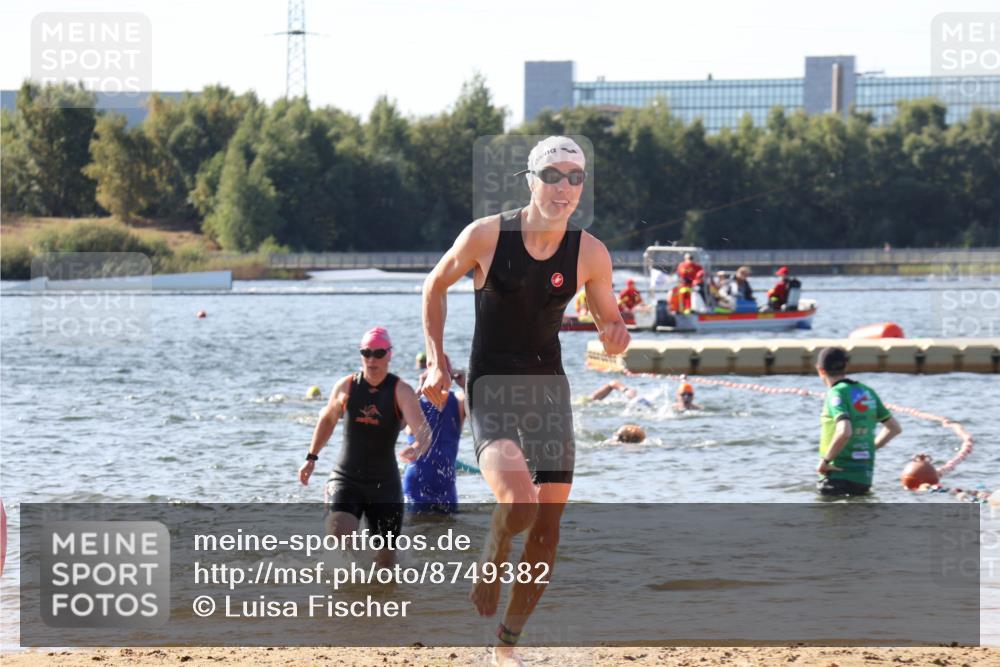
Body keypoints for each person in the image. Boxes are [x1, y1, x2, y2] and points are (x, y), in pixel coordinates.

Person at [421, 135, 630, 666]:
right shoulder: (487, 236)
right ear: (532, 179)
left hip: (549, 391)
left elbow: (609, 313)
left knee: (548, 527)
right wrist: (434, 358)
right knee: (518, 503)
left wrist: (615, 330)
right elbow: (434, 286)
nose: (564, 188)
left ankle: (507, 645)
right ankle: (493, 549)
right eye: (554, 176)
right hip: (492, 387)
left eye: (575, 178)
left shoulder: (589, 251)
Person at [298, 326, 433, 567]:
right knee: (338, 532)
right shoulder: (346, 386)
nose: (371, 359)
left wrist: (417, 448)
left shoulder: (400, 391)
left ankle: (373, 597)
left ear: (389, 355)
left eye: (378, 353)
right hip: (346, 477)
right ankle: (346, 592)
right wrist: (311, 457)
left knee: (386, 567)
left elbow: (424, 431)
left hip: (385, 485)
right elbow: (327, 420)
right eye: (366, 352)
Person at [814, 347, 902, 497]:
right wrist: (869, 448)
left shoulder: (835, 393)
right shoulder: (867, 391)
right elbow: (894, 428)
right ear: (846, 366)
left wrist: (826, 460)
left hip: (837, 476)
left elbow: (844, 431)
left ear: (820, 370)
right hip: (863, 477)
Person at [402, 362, 467, 513]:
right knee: (415, 532)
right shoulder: (416, 406)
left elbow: (480, 413)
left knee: (451, 533)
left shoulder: (457, 403)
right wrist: (419, 390)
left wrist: (465, 384)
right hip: (417, 487)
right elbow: (401, 424)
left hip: (447, 489)